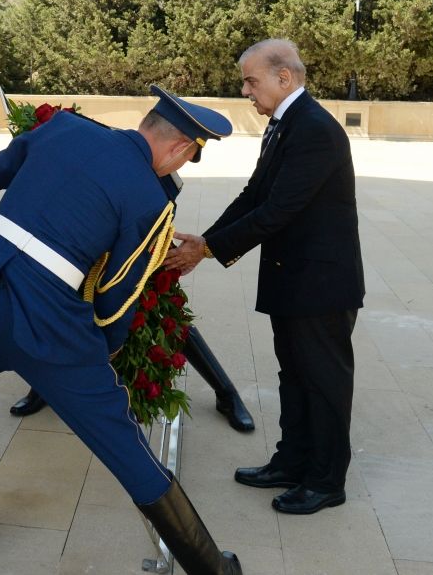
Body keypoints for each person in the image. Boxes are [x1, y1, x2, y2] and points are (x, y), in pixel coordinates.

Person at [0, 86, 242, 575]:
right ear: (181, 148)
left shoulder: (62, 127)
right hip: (48, 317)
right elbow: (117, 296)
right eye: (185, 159)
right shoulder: (151, 202)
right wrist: (104, 353)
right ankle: (212, 569)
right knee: (120, 440)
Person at [164, 39, 365, 515]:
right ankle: (291, 461)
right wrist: (206, 241)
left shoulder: (313, 128)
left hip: (320, 285)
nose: (245, 91)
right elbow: (255, 194)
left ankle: (325, 480)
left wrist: (207, 250)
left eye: (251, 81)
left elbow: (279, 210)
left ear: (284, 78)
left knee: (323, 383)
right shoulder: (286, 124)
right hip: (293, 279)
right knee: (294, 376)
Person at [9, 172, 256, 433]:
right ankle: (42, 387)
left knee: (165, 313)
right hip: (86, 219)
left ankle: (226, 393)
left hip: (141, 219)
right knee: (66, 306)